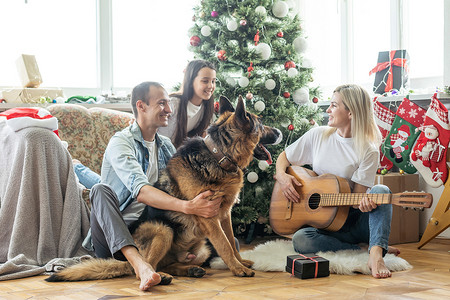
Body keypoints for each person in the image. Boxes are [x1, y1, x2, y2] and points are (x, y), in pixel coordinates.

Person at [82, 81, 222, 291]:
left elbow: (179, 187)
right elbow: (142, 192)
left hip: (150, 231)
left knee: (224, 245)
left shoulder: (164, 145)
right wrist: (188, 207)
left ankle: (172, 264)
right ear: (141, 106)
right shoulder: (121, 142)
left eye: (168, 103)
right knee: (100, 190)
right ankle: (141, 266)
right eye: (162, 103)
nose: (169, 109)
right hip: (114, 236)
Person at [274, 84, 400, 279]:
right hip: (325, 224)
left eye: (333, 105)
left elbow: (358, 198)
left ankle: (376, 254)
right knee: (301, 240)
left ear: (350, 112)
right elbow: (284, 157)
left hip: (352, 219)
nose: (327, 110)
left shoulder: (368, 150)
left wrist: (364, 203)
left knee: (381, 190)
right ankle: (364, 247)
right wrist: (282, 178)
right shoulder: (318, 135)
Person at [158, 59, 216, 148]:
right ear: (191, 81)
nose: (211, 86)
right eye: (205, 81)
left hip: (176, 154)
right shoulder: (173, 104)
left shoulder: (206, 109)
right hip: (158, 151)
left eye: (213, 81)